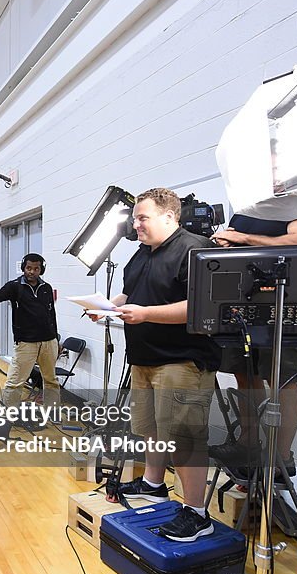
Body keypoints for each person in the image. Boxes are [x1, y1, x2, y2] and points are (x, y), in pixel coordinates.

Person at [92, 188, 222, 542]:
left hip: (181, 360)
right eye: (135, 218)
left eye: (142, 218)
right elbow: (129, 295)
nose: (136, 225)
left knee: (185, 438)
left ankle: (196, 512)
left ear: (169, 216)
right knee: (149, 427)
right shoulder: (141, 255)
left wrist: (146, 314)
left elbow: (201, 307)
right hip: (144, 359)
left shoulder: (196, 249)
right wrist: (105, 307)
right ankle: (153, 484)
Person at [209, 191, 297, 479]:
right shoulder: (250, 201)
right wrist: (226, 241)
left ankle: (281, 458)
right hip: (241, 303)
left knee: (282, 379)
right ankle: (248, 444)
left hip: (284, 304)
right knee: (244, 373)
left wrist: (246, 239)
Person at [0, 253, 61, 422]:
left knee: (51, 380)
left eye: (36, 268)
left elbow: (52, 314)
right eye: (29, 268)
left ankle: (51, 414)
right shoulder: (14, 287)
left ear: (41, 269)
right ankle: (10, 415)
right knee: (16, 380)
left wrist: (56, 341)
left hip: (49, 341)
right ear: (24, 268)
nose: (32, 272)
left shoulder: (46, 288)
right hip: (26, 343)